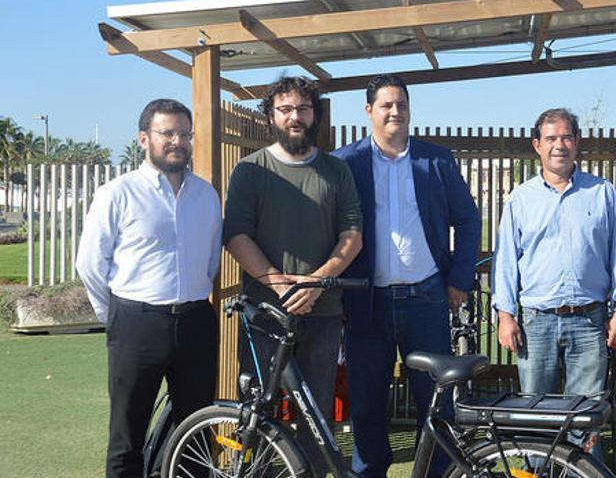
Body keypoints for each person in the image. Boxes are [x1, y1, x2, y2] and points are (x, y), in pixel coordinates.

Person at [333, 73, 481, 478]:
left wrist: (459, 280)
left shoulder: (435, 160)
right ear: (369, 111)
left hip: (427, 300)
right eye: (386, 105)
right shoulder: (346, 163)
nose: (395, 111)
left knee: (437, 404)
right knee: (366, 404)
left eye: (401, 104)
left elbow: (468, 220)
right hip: (368, 303)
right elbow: (333, 229)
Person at [222, 75, 363, 476]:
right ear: (271, 115)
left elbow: (353, 235)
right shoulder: (250, 171)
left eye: (303, 109)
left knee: (317, 416)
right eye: (285, 109)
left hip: (322, 313)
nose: (295, 117)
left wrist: (317, 282)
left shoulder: (337, 172)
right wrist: (278, 282)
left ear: (314, 114)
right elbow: (235, 234)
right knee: (259, 412)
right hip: (265, 315)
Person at [76, 99, 221, 478]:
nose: (178, 141)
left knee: (197, 432)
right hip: (136, 324)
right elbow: (90, 263)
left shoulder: (206, 195)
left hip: (195, 322)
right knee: (128, 437)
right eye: (167, 133)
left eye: (184, 133)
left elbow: (210, 260)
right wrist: (118, 318)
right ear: (144, 138)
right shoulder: (117, 194)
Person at [492, 107, 616, 449]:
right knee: (534, 411)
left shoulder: (601, 193)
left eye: (566, 137)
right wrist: (505, 316)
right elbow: (506, 262)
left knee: (586, 413)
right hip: (535, 322)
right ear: (537, 146)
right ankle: (538, 472)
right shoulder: (520, 199)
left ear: (577, 143)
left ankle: (583, 471)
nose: (559, 145)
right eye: (551, 138)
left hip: (589, 320)